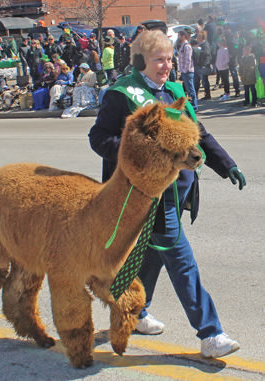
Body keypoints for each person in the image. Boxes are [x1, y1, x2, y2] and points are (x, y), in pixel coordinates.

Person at [89, 29, 245, 359]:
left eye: (170, 58)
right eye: (159, 59)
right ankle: (210, 333)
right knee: (181, 261)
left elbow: (198, 134)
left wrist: (225, 164)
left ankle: (134, 313)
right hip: (144, 198)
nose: (167, 65)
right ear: (139, 61)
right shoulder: (121, 94)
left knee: (149, 255)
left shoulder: (174, 89)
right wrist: (141, 151)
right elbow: (99, 137)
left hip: (175, 193)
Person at [177, 30, 198, 111]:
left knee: (190, 89)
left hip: (188, 71)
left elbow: (188, 60)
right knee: (188, 89)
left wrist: (185, 70)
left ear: (183, 36)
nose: (178, 38)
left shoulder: (187, 46)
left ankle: (194, 106)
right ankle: (191, 104)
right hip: (184, 71)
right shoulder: (182, 46)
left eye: (179, 36)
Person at [194, 32, 212, 100]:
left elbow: (207, 53)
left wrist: (199, 50)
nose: (196, 39)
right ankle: (196, 95)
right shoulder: (198, 44)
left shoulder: (205, 45)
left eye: (198, 37)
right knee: (196, 81)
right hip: (196, 65)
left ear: (201, 38)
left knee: (204, 80)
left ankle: (207, 94)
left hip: (202, 65)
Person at [215, 37, 231, 101]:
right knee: (223, 81)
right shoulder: (219, 50)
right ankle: (225, 92)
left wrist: (222, 64)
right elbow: (218, 59)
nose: (218, 43)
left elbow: (227, 59)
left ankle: (227, 93)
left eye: (219, 42)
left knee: (226, 81)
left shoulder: (225, 50)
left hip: (224, 68)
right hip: (220, 68)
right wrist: (217, 65)